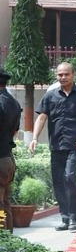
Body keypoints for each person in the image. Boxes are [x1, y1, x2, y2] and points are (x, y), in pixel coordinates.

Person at [34, 62, 76, 231]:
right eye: (60, 74)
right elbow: (41, 117)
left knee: (70, 178)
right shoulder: (50, 96)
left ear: (73, 74)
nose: (63, 77)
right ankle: (65, 218)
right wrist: (34, 138)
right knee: (58, 181)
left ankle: (74, 218)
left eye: (66, 74)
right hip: (56, 145)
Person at [0, 69, 22, 230]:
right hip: (7, 158)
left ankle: (2, 239)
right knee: (4, 201)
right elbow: (15, 130)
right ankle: (8, 238)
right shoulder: (14, 103)